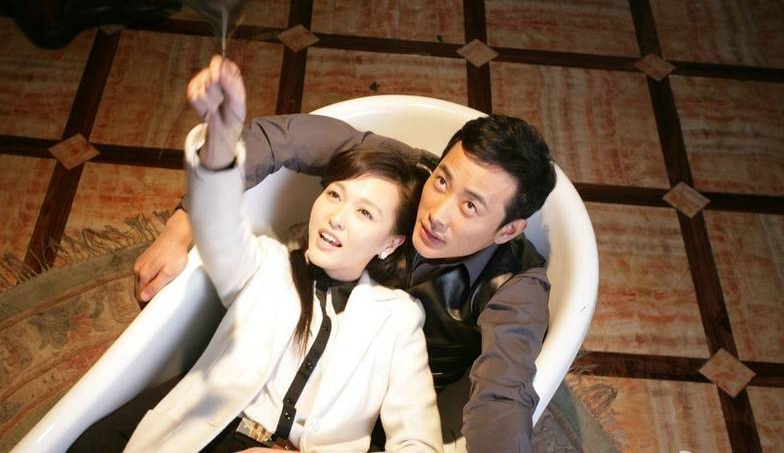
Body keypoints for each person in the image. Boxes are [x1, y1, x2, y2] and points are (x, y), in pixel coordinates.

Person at [135, 56, 556, 452]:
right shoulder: (404, 176)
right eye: (443, 181)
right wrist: (183, 225)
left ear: (509, 230)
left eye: (470, 206)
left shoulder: (516, 287)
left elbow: (503, 394)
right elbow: (279, 138)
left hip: (384, 414)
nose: (437, 214)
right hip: (288, 350)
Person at [73, 57, 442, 452]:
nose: (336, 218)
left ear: (390, 243)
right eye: (335, 194)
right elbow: (217, 219)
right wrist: (221, 139)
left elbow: (419, 443)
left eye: (365, 213)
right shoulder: (267, 264)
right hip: (205, 438)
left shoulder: (398, 319)